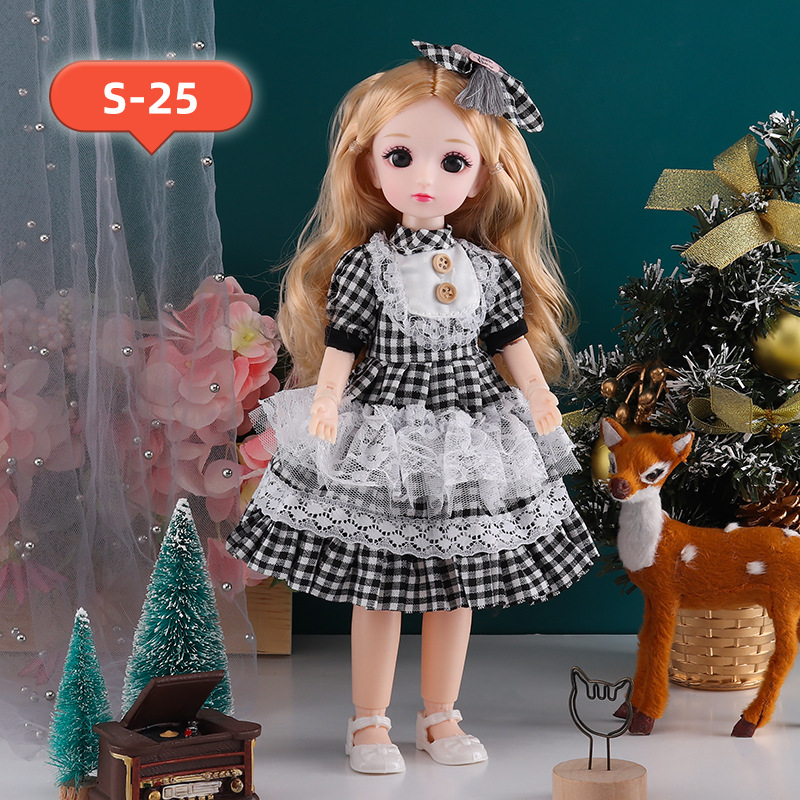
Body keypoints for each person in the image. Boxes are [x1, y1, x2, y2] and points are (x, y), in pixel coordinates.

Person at [228, 41, 597, 774]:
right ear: (369, 165)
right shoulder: (366, 265)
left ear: (484, 174)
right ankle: (368, 722)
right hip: (385, 427)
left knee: (455, 588)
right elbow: (343, 342)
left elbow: (510, 342)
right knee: (380, 585)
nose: (425, 178)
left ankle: (440, 715)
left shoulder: (491, 270)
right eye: (401, 156)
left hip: (469, 429)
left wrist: (539, 397)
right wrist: (325, 401)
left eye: (453, 162)